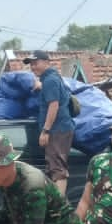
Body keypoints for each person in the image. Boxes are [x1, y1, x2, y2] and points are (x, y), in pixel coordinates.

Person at [26, 50, 76, 196]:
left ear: (47, 62)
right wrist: (40, 86)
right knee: (53, 168)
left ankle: (59, 208)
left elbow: (53, 105)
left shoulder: (50, 80)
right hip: (59, 128)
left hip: (57, 130)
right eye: (31, 65)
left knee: (57, 169)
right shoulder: (50, 79)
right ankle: (55, 204)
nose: (33, 67)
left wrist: (45, 131)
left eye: (36, 63)